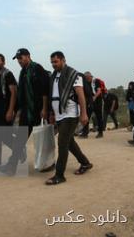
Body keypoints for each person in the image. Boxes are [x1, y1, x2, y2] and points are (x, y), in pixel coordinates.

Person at [0, 48, 50, 176]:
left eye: (21, 58)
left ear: (28, 56)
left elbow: (45, 90)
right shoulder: (23, 72)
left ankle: (49, 164)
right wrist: (17, 110)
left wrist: (44, 109)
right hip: (27, 113)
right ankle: (12, 166)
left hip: (38, 111)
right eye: (18, 59)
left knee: (43, 140)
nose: (19, 61)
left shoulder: (37, 69)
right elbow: (21, 92)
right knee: (20, 140)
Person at [44, 51, 92, 185]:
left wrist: (84, 113)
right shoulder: (54, 76)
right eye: (52, 62)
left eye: (56, 61)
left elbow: (81, 96)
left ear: (63, 60)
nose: (54, 64)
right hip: (59, 114)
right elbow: (53, 95)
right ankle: (85, 163)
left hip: (70, 114)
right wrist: (52, 114)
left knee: (62, 143)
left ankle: (59, 175)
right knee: (69, 142)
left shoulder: (73, 75)